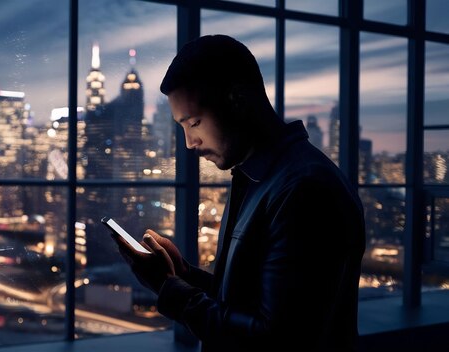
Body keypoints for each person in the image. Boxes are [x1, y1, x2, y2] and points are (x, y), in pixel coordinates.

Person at [110, 34, 366, 351]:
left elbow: (275, 340)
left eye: (195, 122)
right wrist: (183, 274)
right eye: (182, 127)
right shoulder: (258, 177)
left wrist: (168, 287)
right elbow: (246, 302)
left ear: (237, 100)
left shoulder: (305, 189)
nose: (190, 143)